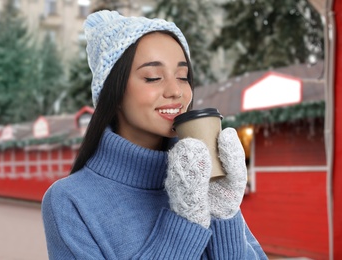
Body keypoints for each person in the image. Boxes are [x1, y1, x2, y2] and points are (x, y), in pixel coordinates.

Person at [41, 10, 267, 260]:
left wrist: (224, 214)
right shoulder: (70, 202)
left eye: (183, 77)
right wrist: (184, 220)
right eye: (153, 77)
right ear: (113, 92)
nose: (176, 91)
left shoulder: (206, 179)